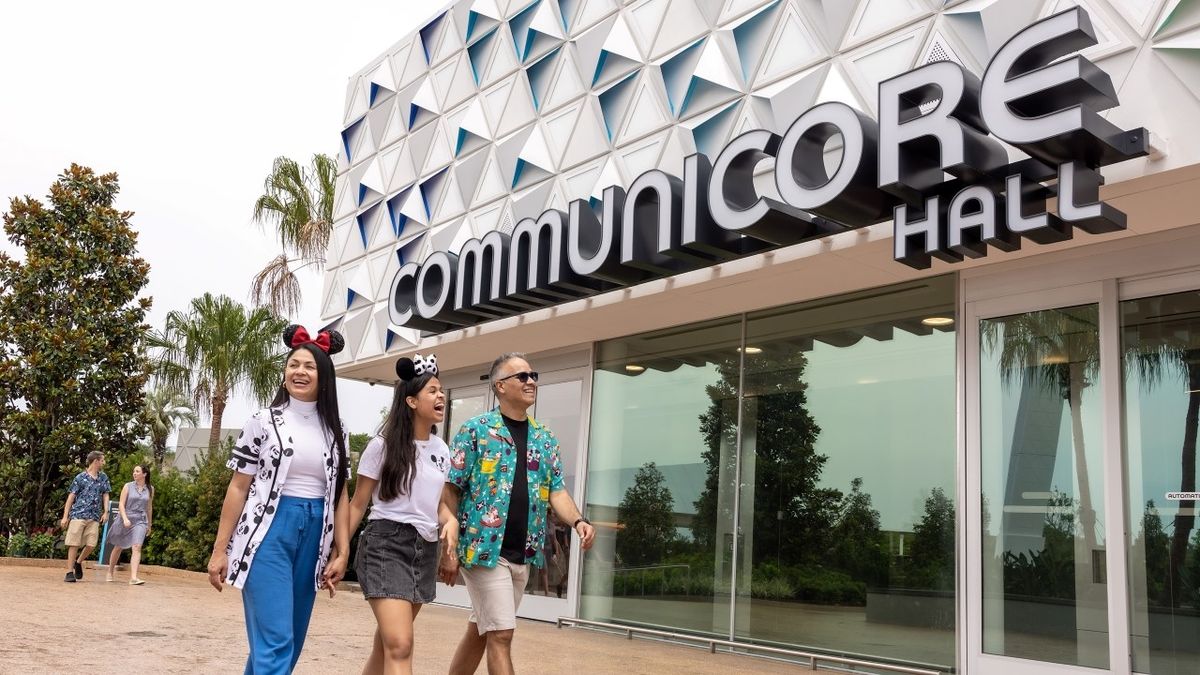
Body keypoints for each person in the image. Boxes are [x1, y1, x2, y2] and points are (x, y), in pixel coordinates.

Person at [439, 352, 596, 675]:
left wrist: (578, 520)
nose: (531, 381)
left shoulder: (545, 439)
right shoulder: (475, 431)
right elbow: (450, 490)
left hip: (523, 553)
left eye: (533, 375)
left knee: (481, 630)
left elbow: (557, 491)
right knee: (501, 634)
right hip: (483, 550)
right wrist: (449, 549)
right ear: (500, 386)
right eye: (522, 376)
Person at [206, 324, 351, 674]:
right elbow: (239, 487)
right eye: (293, 365)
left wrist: (342, 551)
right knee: (276, 641)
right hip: (266, 533)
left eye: (309, 366)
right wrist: (219, 549)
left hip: (316, 532)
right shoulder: (262, 421)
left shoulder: (338, 429)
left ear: (324, 375)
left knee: (288, 643)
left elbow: (340, 494)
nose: (299, 372)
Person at [325, 354, 451, 675]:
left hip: (425, 551)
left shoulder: (441, 450)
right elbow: (357, 504)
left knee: (387, 646)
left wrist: (450, 525)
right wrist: (340, 551)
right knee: (400, 645)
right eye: (433, 391)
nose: (441, 397)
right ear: (411, 401)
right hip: (386, 546)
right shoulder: (381, 446)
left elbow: (439, 506)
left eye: (441, 391)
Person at [60, 451, 111, 583]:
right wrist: (65, 516)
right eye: (102, 460)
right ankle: (69, 572)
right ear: (96, 461)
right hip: (78, 515)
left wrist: (106, 512)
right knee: (74, 543)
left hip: (94, 516)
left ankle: (78, 562)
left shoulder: (103, 477)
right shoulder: (80, 477)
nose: (104, 462)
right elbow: (71, 497)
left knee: (91, 544)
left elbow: (105, 494)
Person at [105, 464, 154, 584]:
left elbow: (149, 507)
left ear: (144, 474)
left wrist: (149, 524)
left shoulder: (150, 489)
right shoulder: (128, 486)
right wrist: (125, 518)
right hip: (125, 517)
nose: (134, 473)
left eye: (137, 471)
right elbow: (121, 504)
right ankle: (110, 571)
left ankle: (133, 577)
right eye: (134, 471)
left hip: (141, 520)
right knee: (118, 546)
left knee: (137, 546)